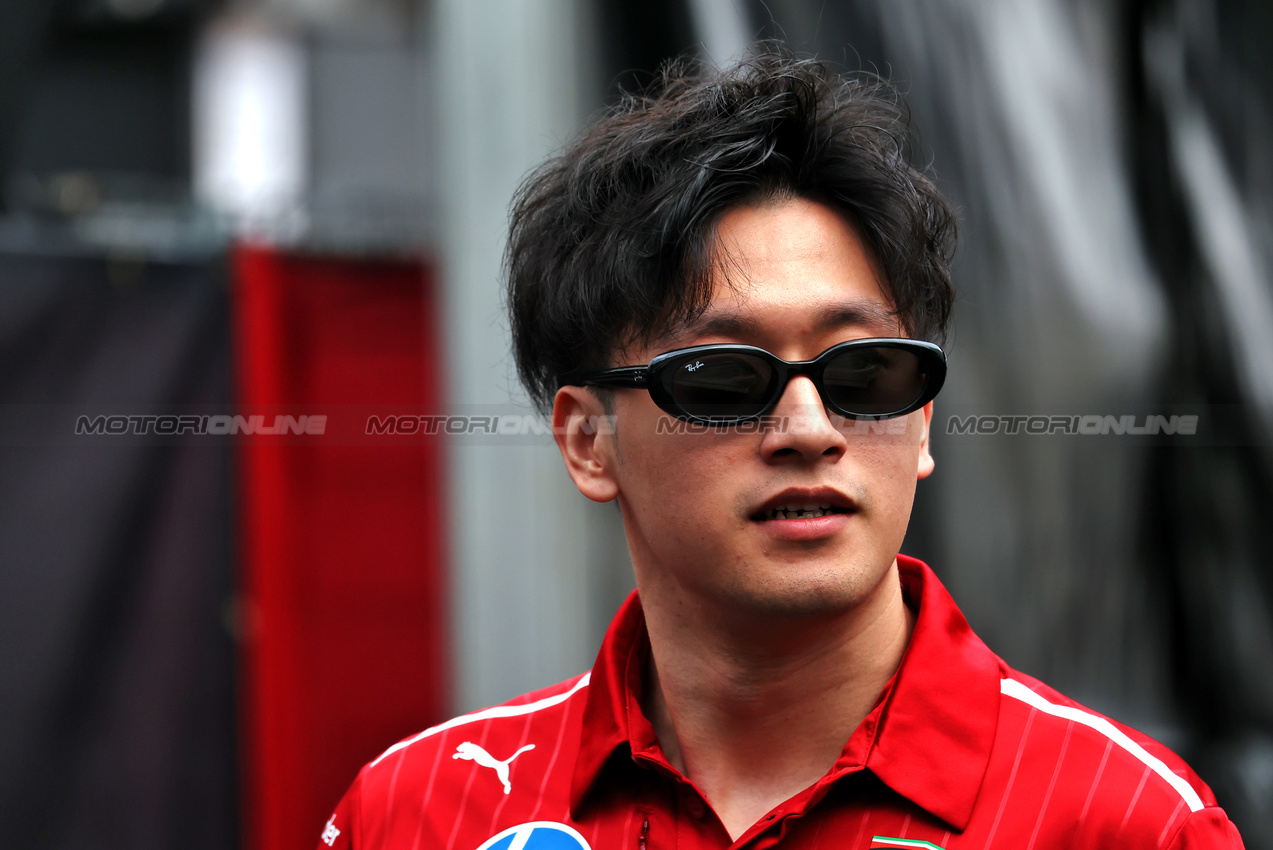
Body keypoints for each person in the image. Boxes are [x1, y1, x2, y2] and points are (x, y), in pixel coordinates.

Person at [319, 45, 1244, 849]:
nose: (808, 429)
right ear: (589, 440)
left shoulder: (1123, 822)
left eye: (865, 373)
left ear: (922, 422)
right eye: (723, 378)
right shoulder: (421, 814)